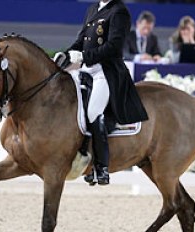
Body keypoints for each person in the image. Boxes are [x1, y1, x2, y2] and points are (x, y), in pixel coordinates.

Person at [54, 0, 148, 185]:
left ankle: (101, 167)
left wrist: (84, 56)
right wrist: (66, 54)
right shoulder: (93, 9)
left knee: (93, 112)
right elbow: (82, 40)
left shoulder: (119, 11)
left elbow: (114, 45)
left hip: (106, 71)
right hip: (87, 68)